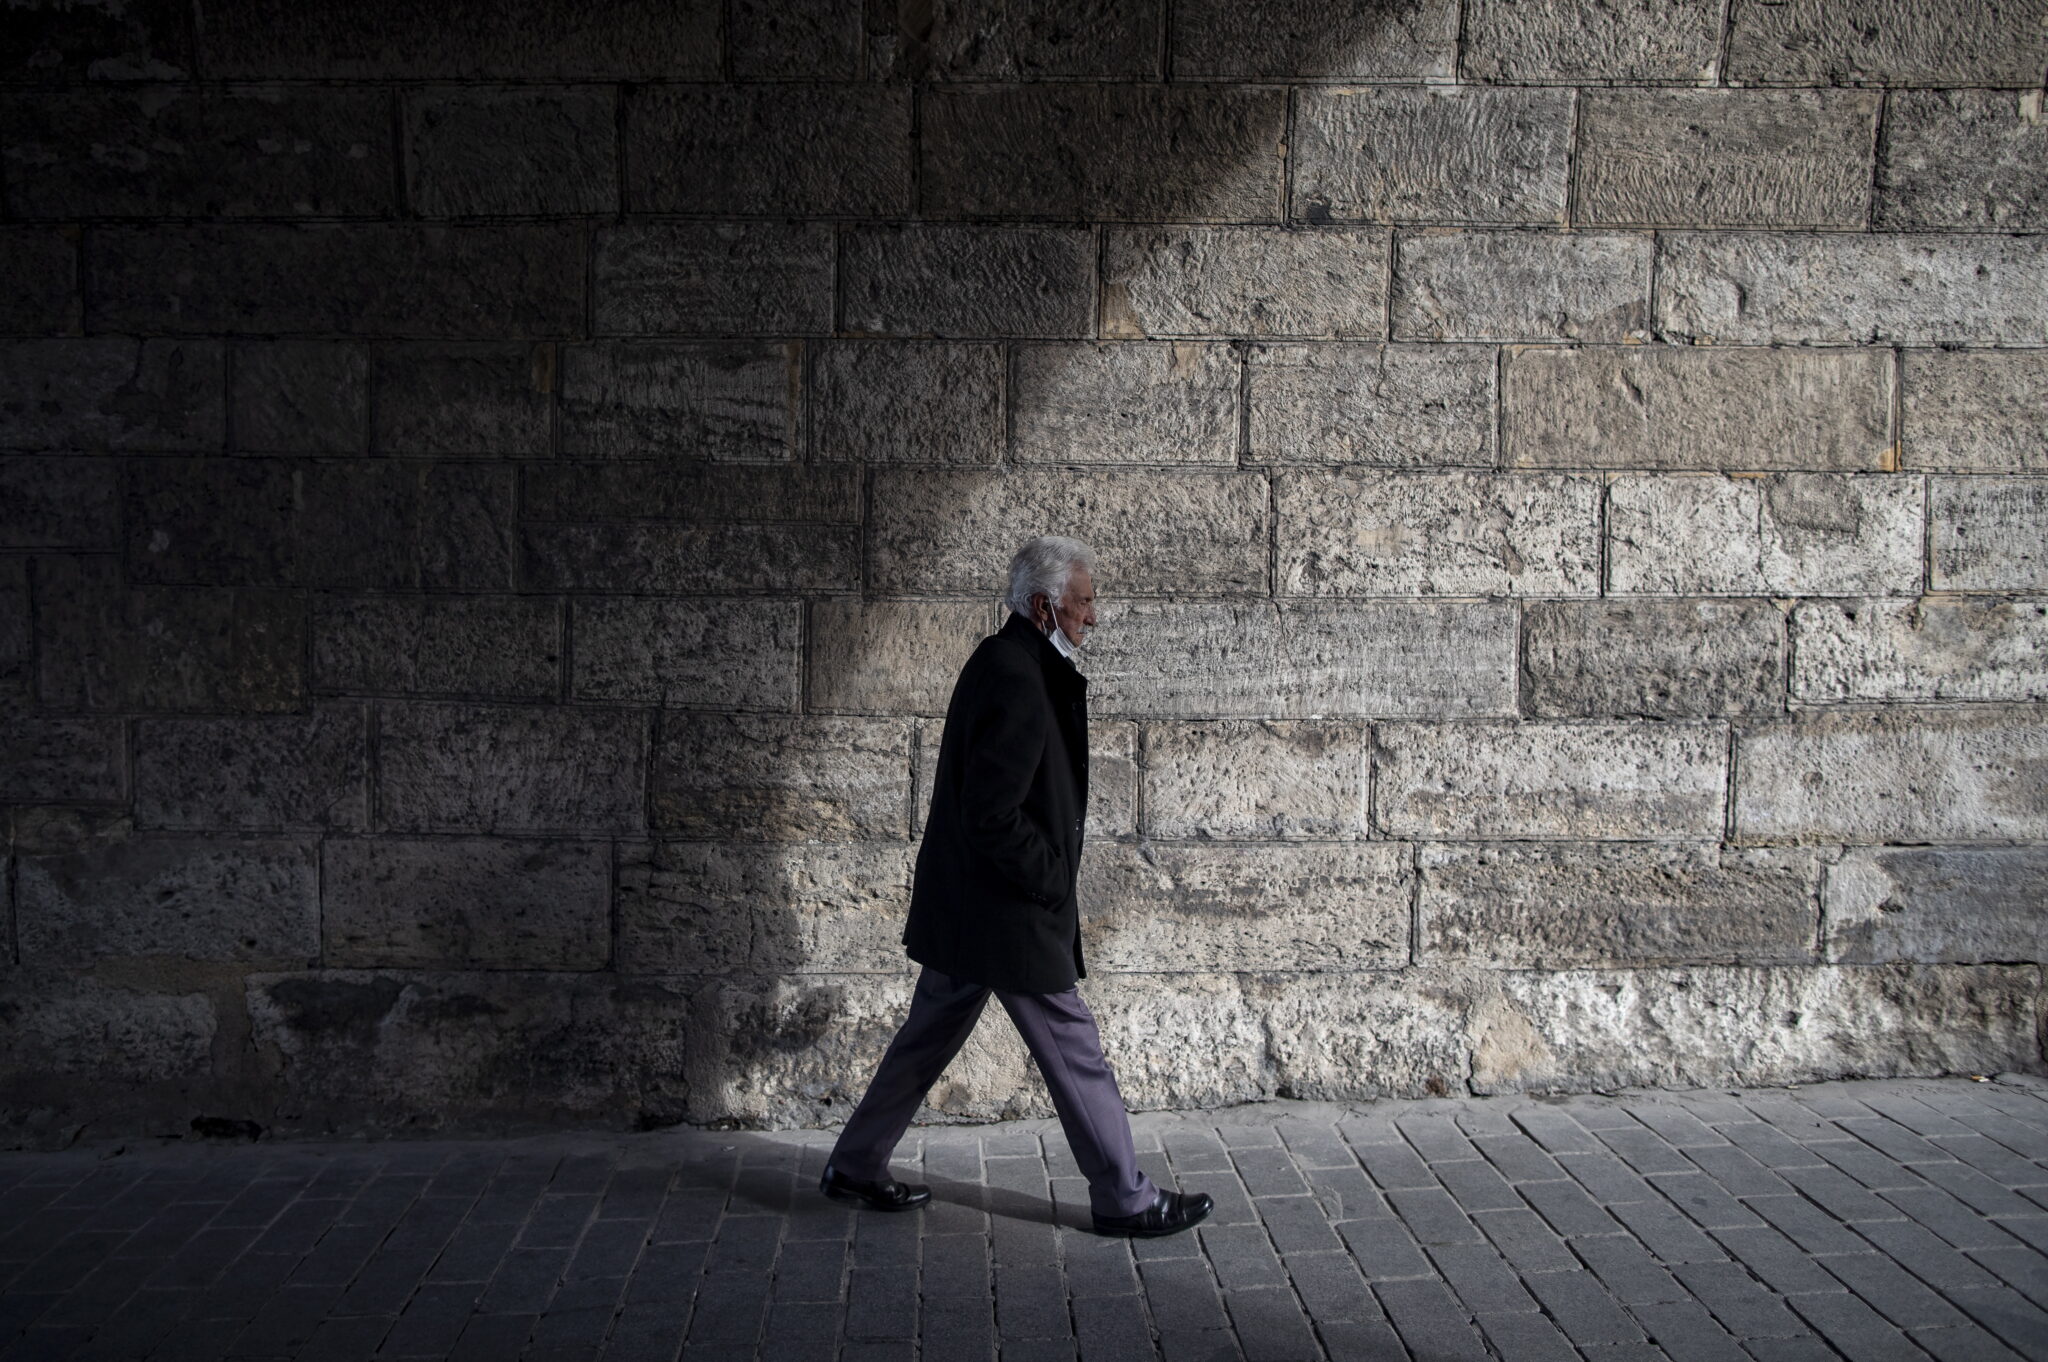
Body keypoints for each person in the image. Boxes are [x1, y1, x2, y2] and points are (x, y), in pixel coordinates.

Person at [819, 535, 1213, 1238]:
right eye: (1083, 602)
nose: (1094, 616)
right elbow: (992, 813)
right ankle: (1125, 1198)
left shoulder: (1006, 660)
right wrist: (1051, 878)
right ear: (1043, 607)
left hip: (971, 906)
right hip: (1006, 910)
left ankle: (854, 1163)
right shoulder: (1017, 676)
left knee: (926, 1037)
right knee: (1074, 1044)